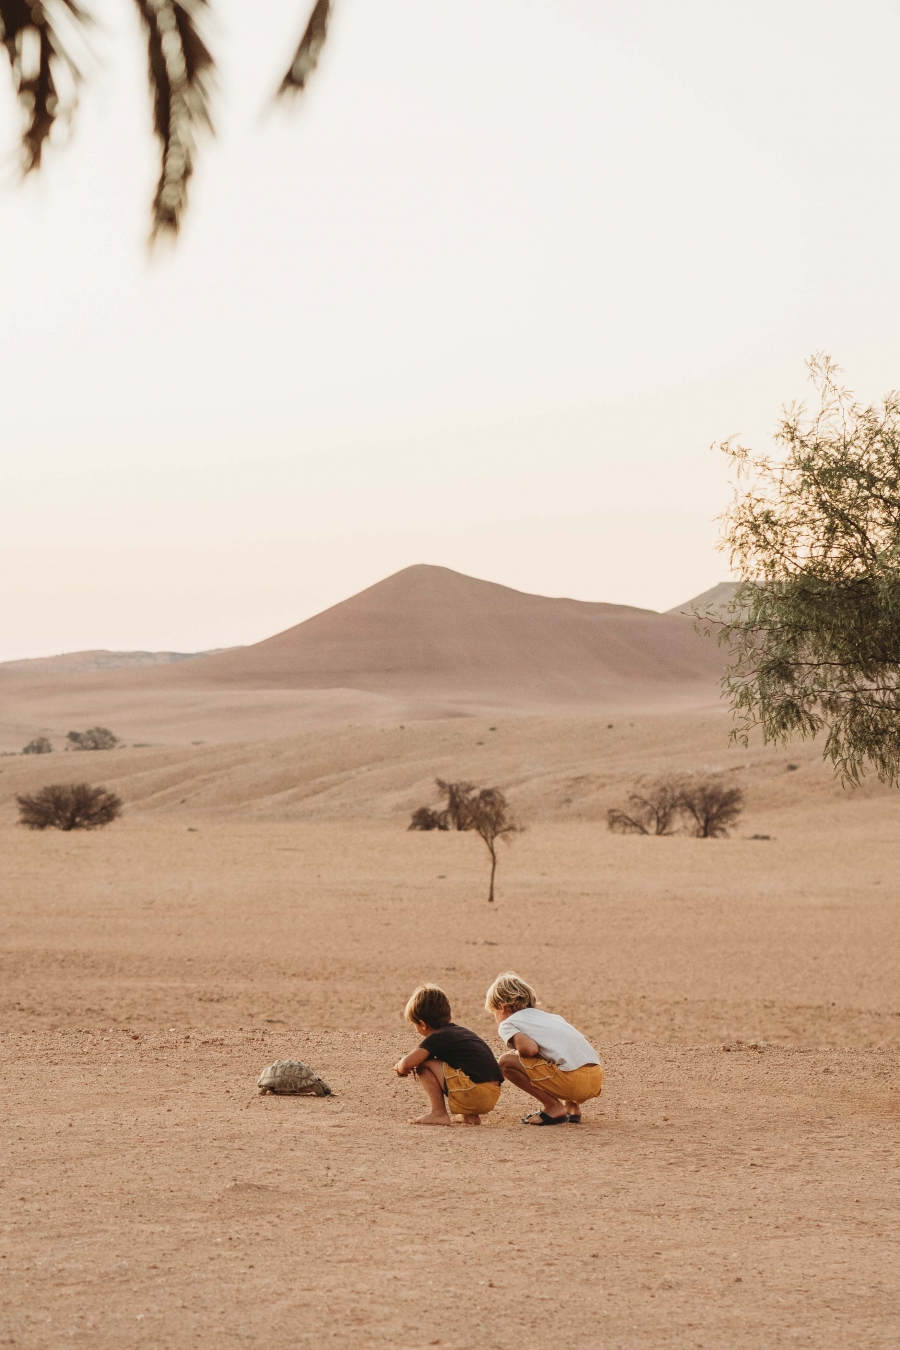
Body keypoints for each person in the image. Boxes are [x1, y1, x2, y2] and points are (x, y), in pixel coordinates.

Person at [485, 971, 603, 1126]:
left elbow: (530, 1050)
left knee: (506, 1062)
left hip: (573, 1083)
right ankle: (571, 1107)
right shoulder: (552, 1018)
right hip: (595, 1079)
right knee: (557, 1055)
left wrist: (517, 1052)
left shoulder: (508, 1023)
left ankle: (553, 1106)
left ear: (501, 1007)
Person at [394, 983, 503, 1126]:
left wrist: (400, 1067)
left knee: (424, 1064)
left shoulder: (437, 1037)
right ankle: (470, 1116)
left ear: (422, 1024)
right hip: (491, 1096)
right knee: (461, 1066)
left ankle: (438, 1113)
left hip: (474, 1093)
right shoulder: (460, 1032)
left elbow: (408, 1063)